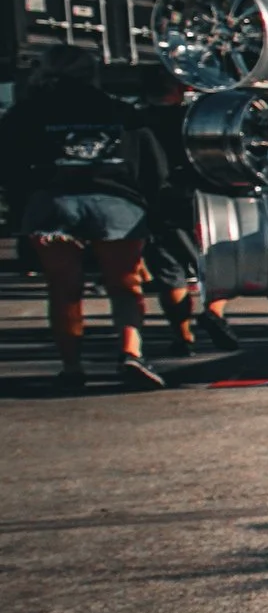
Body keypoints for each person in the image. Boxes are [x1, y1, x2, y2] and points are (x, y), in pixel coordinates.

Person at [0, 44, 172, 389]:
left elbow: (8, 166)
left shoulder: (25, 113)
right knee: (125, 284)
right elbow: (156, 168)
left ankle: (72, 367)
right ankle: (130, 352)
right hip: (117, 203)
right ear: (93, 73)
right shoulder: (122, 112)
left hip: (53, 203)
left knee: (64, 291)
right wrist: (149, 207)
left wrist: (25, 207)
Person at [137, 69, 241, 356]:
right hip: (201, 198)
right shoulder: (193, 119)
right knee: (218, 262)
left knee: (171, 272)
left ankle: (182, 336)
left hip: (155, 204)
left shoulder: (135, 122)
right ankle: (214, 312)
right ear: (178, 89)